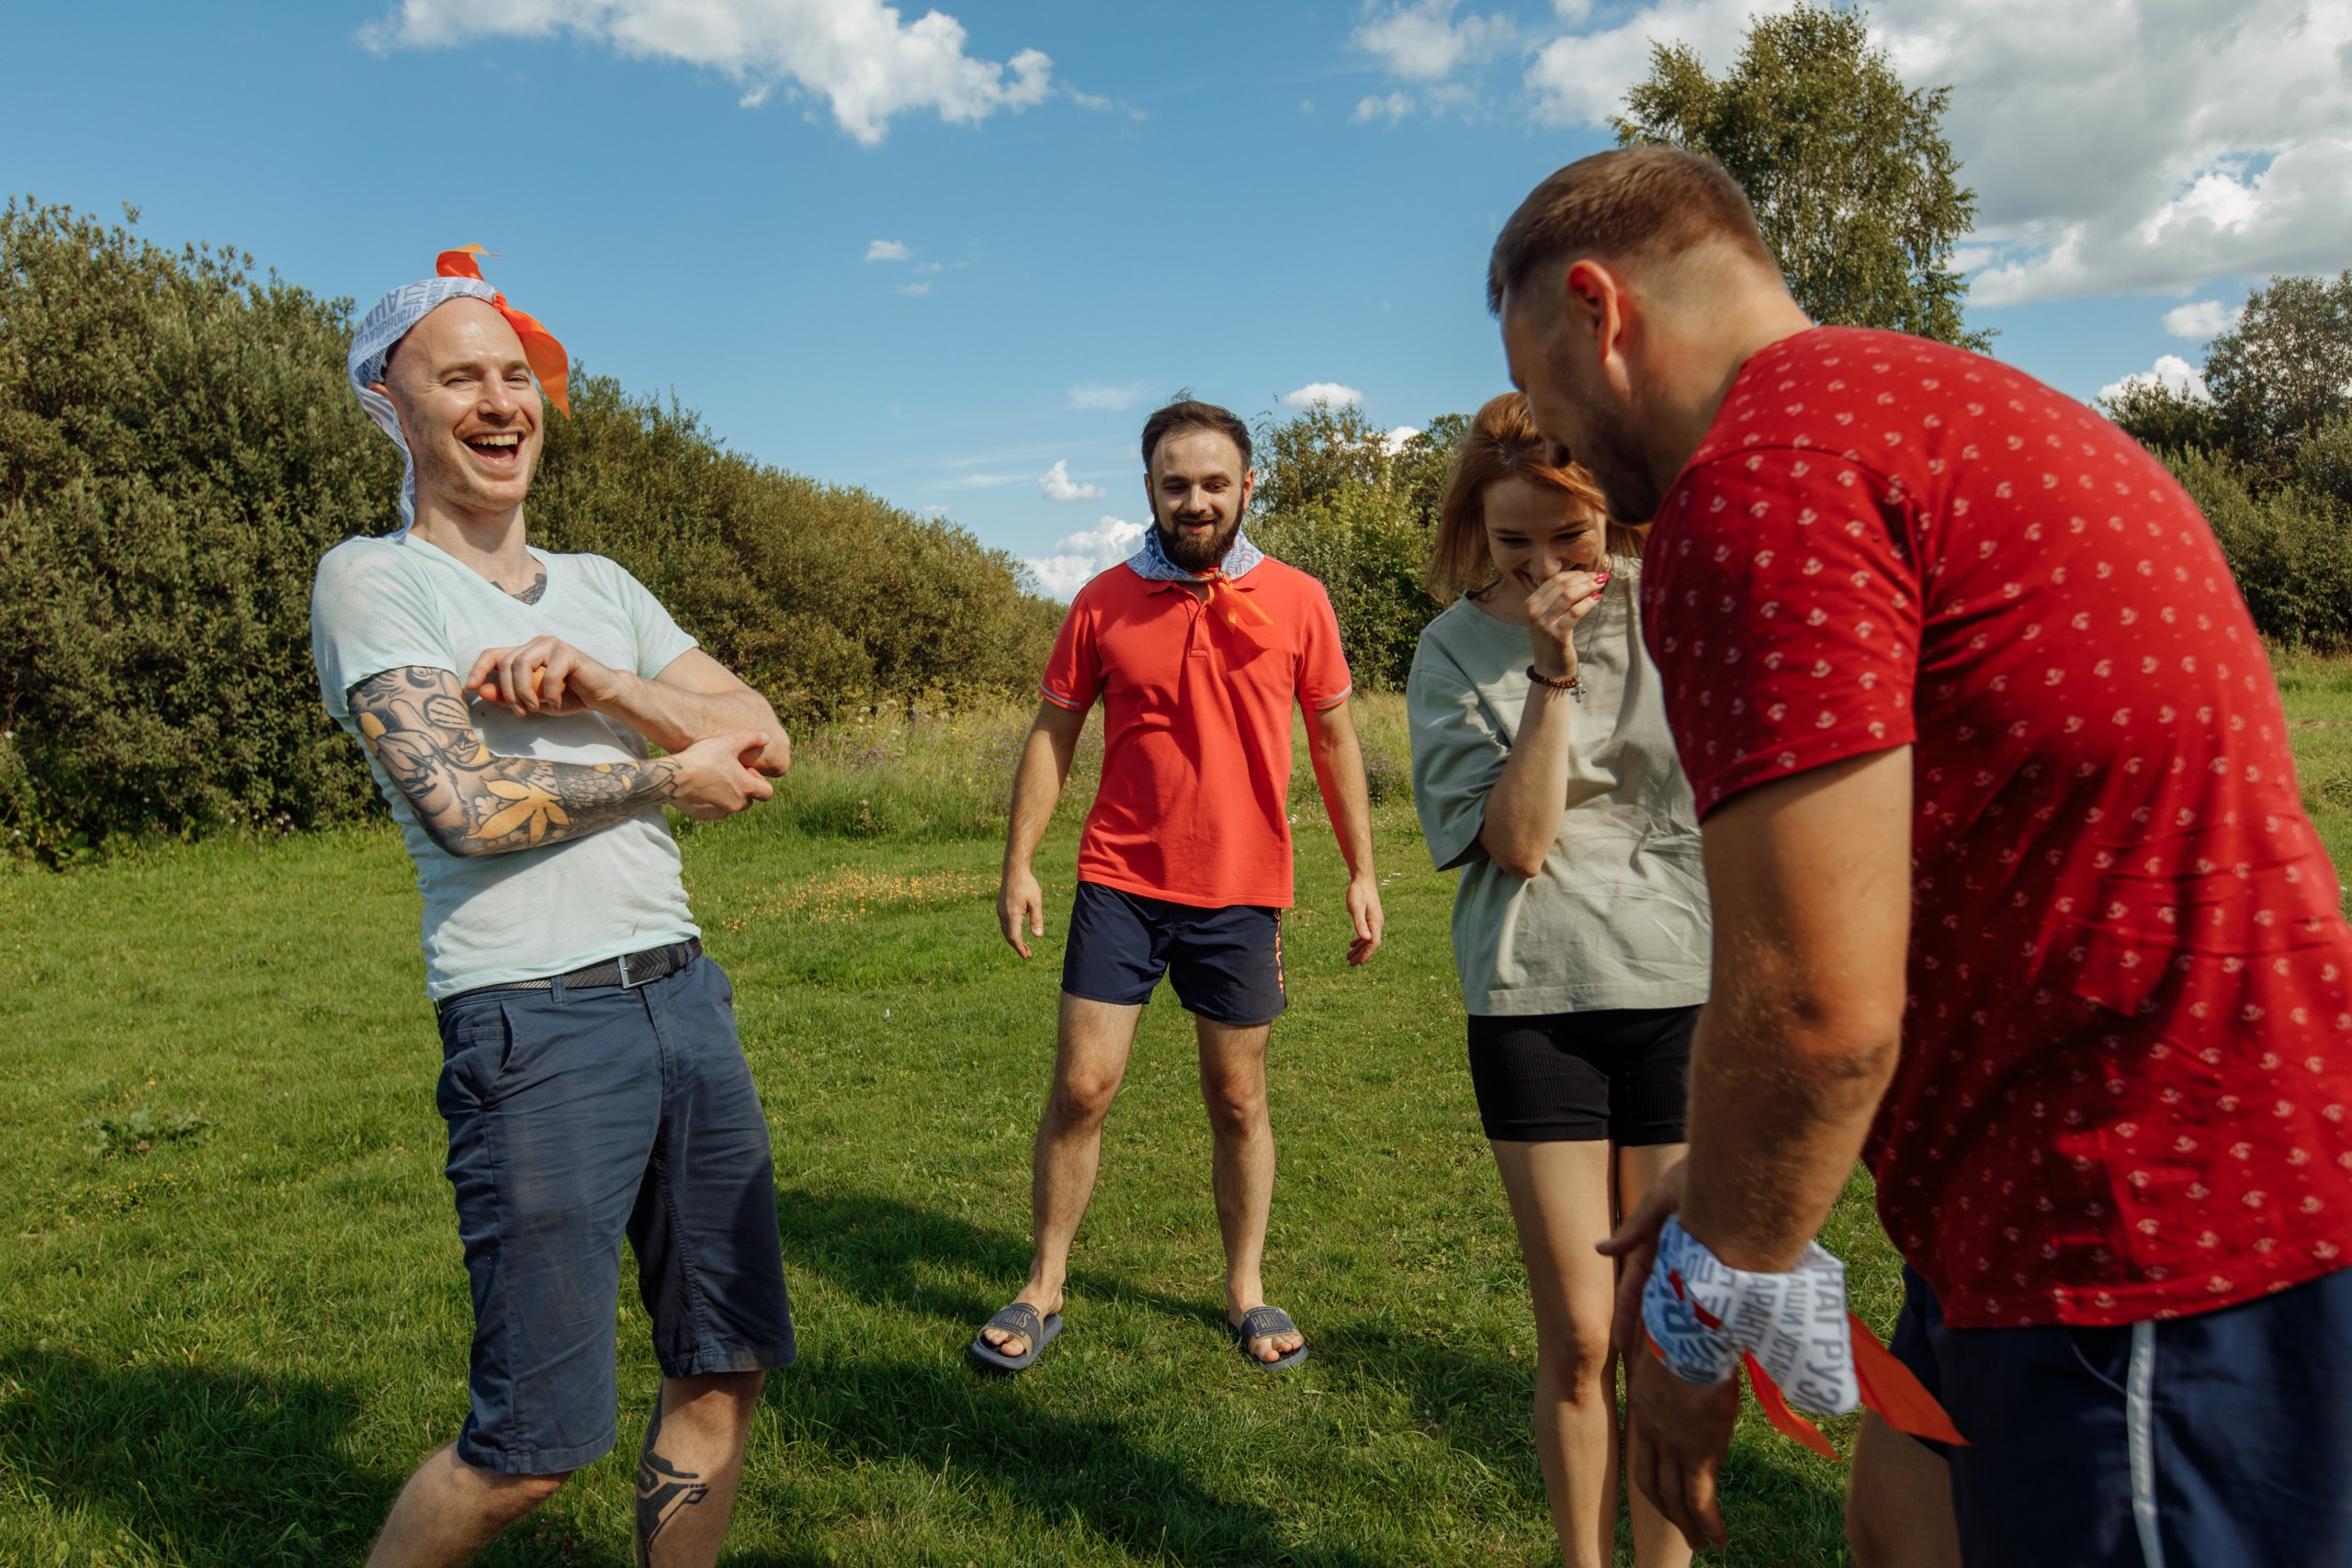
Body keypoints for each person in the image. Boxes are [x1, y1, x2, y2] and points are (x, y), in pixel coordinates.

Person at [1487, 144, 2352, 1565]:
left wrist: (1700, 1320)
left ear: (1600, 308)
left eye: (1550, 387)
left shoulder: (1760, 480)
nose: (1563, 440)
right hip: (2137, 1182)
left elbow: (1817, 1009)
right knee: (1899, 1528)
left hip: (2134, 1238)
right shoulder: (1950, 406)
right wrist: (1722, 1180)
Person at [310, 251, 797, 1568]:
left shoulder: (605, 584)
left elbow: (761, 737)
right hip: (532, 1023)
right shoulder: (374, 579)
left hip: (684, 1000)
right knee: (530, 1444)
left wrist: (607, 682)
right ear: (391, 404)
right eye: (458, 374)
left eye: (514, 373)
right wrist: (660, 771)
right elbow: (460, 801)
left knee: (724, 1362)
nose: (498, 397)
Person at [971, 397, 1386, 1373]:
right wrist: (1019, 861)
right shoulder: (1102, 601)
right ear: (1150, 490)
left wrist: (1363, 871)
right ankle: (1044, 1284)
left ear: (1247, 487)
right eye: (1174, 484)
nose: (1193, 501)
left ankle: (1245, 1288)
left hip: (1243, 887)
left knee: (1237, 1097)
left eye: (1211, 483)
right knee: (1082, 1086)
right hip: (1121, 877)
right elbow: (1054, 733)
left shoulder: (1299, 599)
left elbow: (1332, 738)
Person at [1407, 392, 1706, 1568]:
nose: (1540, 564)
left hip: (1683, 990)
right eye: (1511, 541)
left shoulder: (1679, 608)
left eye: (1566, 539)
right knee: (1582, 1336)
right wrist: (1550, 669)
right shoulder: (1450, 650)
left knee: (1663, 1335)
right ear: (1474, 525)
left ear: (1609, 516)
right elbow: (1519, 843)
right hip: (1537, 1003)